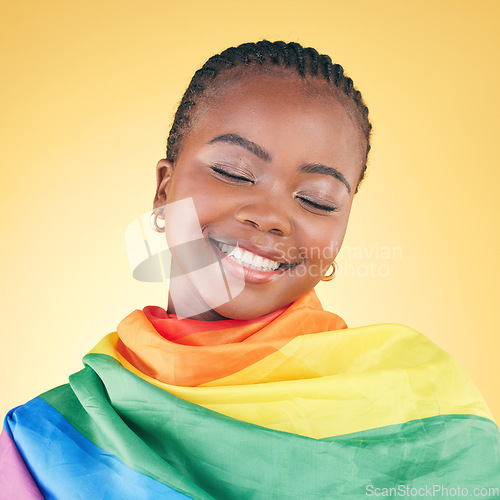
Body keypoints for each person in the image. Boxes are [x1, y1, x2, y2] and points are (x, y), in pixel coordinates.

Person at [1, 40, 499, 499]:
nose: (270, 216)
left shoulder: (423, 413)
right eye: (233, 172)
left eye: (317, 200)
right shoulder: (41, 442)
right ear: (163, 189)